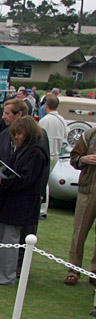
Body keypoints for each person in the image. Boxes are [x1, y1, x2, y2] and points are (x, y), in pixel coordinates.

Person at [0, 116, 48, 285]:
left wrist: (3, 181)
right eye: (16, 134)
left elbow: (25, 180)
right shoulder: (23, 150)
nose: (17, 137)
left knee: (10, 240)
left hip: (21, 204)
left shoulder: (36, 153)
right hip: (10, 202)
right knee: (3, 238)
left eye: (20, 134)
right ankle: (0, 272)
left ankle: (6, 276)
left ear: (28, 133)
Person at [66, 122, 96, 285]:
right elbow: (74, 158)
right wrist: (84, 159)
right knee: (79, 233)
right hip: (88, 189)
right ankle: (73, 270)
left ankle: (95, 272)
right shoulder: (89, 135)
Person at [37, 93, 67, 219]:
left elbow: (38, 137)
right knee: (46, 180)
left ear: (46, 105)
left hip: (46, 154)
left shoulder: (45, 120)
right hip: (56, 153)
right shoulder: (62, 120)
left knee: (42, 180)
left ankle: (41, 209)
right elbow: (65, 139)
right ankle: (41, 208)